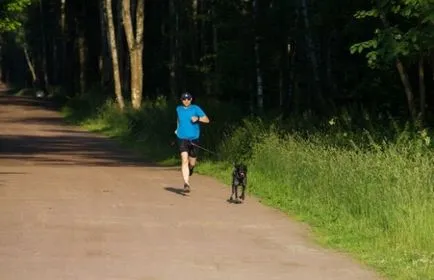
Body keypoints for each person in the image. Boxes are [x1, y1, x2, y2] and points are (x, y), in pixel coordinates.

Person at [175, 92, 210, 192]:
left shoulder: (195, 108)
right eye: (184, 99)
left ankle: (191, 169)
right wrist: (177, 129)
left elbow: (207, 120)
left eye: (188, 99)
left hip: (194, 138)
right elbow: (178, 120)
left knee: (192, 162)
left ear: (191, 100)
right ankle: (186, 183)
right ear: (181, 100)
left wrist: (198, 118)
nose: (186, 101)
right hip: (182, 137)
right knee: (184, 159)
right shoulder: (178, 109)